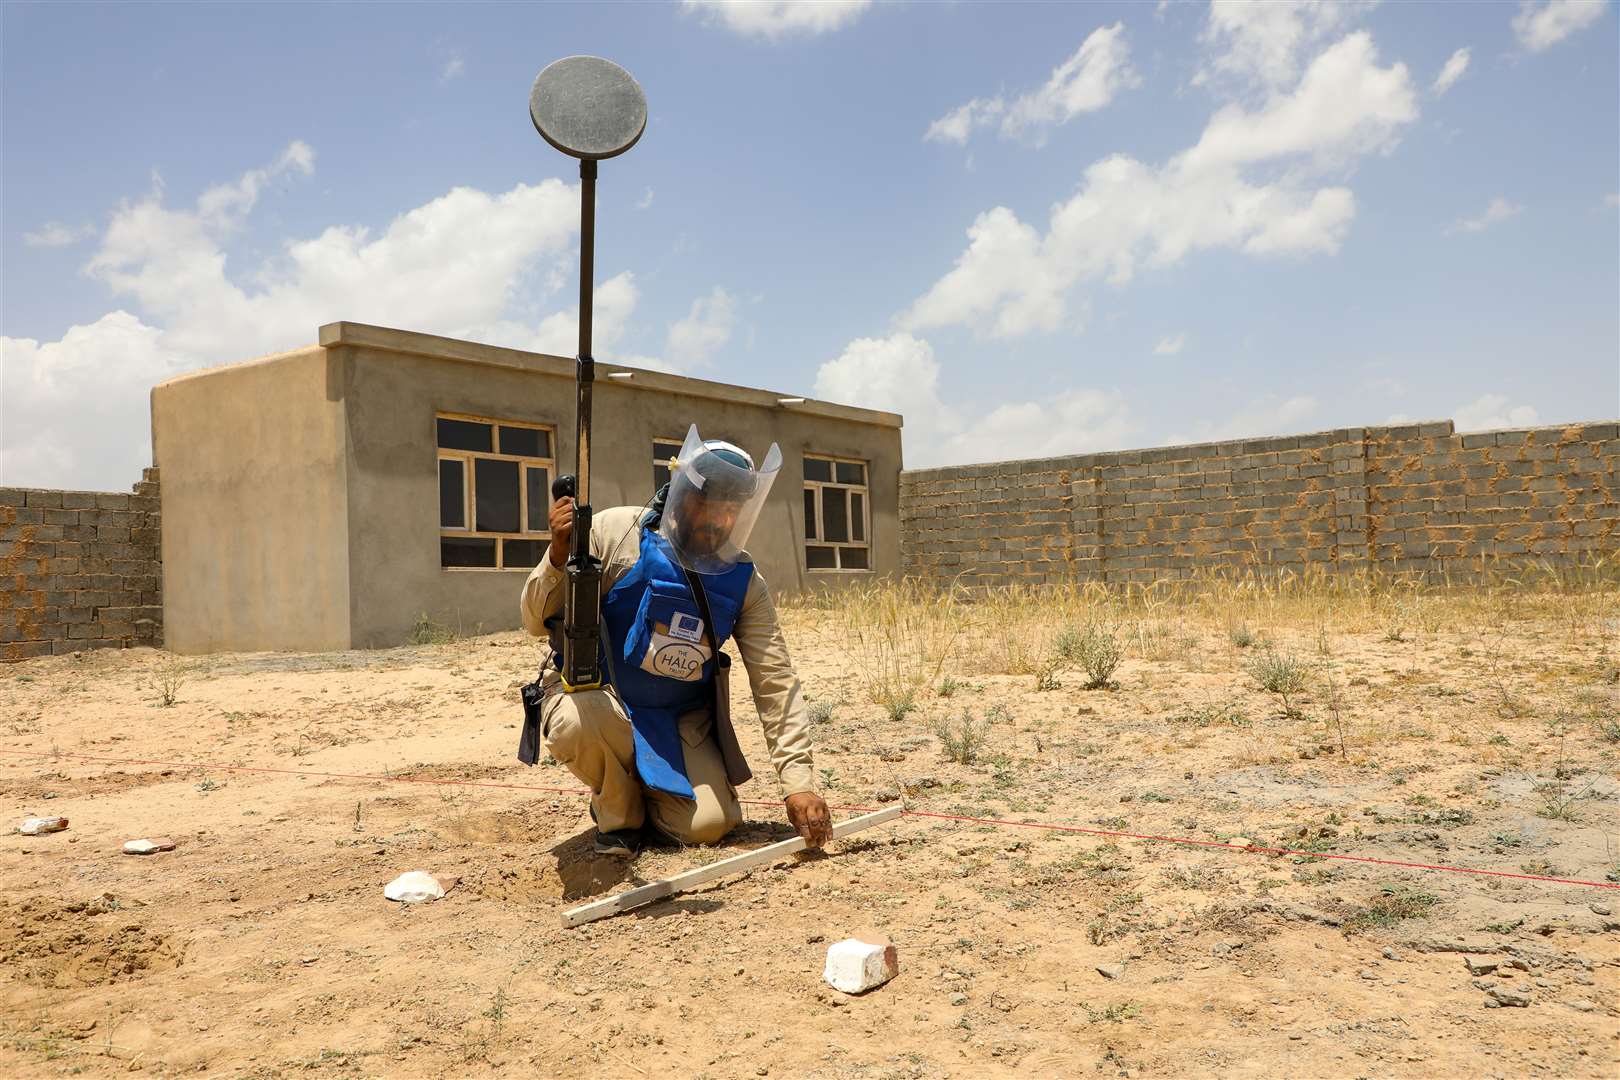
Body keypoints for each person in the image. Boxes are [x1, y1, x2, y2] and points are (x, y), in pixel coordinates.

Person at [519, 425, 831, 857]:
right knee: (580, 716)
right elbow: (535, 619)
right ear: (681, 494)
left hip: (679, 716)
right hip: (603, 700)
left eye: (730, 509)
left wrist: (798, 784)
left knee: (709, 825)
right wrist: (557, 554)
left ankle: (657, 801)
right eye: (707, 503)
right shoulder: (614, 534)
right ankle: (618, 812)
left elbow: (775, 680)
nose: (718, 519)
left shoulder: (743, 582)